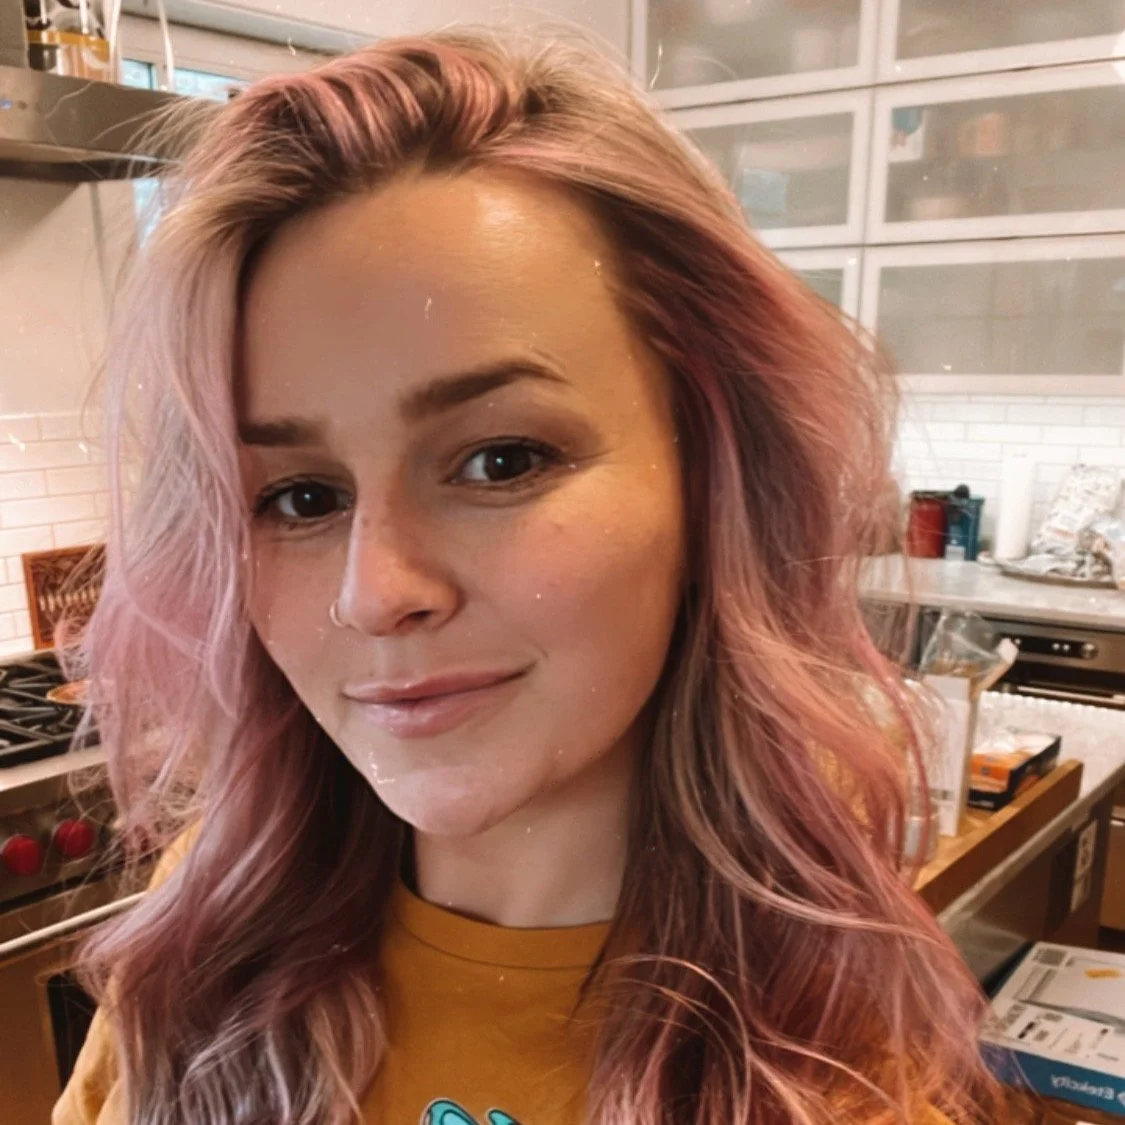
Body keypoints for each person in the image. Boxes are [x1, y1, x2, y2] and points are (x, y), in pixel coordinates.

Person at [52, 29, 1012, 1125]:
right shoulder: (207, 938)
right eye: (301, 498)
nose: (375, 593)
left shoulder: (834, 1069)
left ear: (711, 477)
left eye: (501, 461)